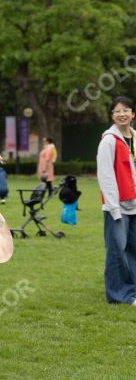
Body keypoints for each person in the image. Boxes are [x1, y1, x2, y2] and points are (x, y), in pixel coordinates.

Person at [96, 96, 136, 306]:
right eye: (117, 111)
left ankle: (132, 291)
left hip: (135, 205)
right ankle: (119, 295)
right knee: (117, 252)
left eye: (126, 110)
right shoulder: (109, 140)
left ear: (133, 114)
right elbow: (105, 175)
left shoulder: (135, 138)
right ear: (112, 116)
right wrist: (113, 208)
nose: (122, 114)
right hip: (117, 207)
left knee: (133, 250)